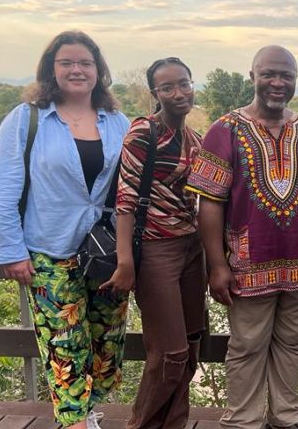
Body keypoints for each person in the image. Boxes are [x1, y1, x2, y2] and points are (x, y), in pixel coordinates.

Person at [185, 45, 298, 429]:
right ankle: (244, 421)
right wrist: (216, 266)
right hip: (247, 267)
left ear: (295, 80)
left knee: (292, 344)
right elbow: (210, 203)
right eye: (269, 73)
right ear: (252, 76)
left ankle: (286, 416)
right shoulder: (225, 131)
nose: (278, 82)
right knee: (247, 346)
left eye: (286, 75)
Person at [0, 30, 130, 429]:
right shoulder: (26, 119)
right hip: (49, 250)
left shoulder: (118, 122)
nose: (76, 70)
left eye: (85, 62)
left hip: (105, 253)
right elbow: (0, 188)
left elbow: (134, 187)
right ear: (51, 69)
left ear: (99, 70)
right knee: (64, 344)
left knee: (107, 343)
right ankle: (74, 422)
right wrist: (11, 250)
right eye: (66, 62)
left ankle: (87, 408)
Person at [101, 57, 206, 429]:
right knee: (170, 354)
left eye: (184, 83)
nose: (178, 93)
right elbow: (126, 199)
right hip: (156, 248)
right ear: (155, 93)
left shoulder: (195, 139)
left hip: (192, 247)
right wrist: (125, 261)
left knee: (191, 347)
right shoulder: (144, 132)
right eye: (167, 87)